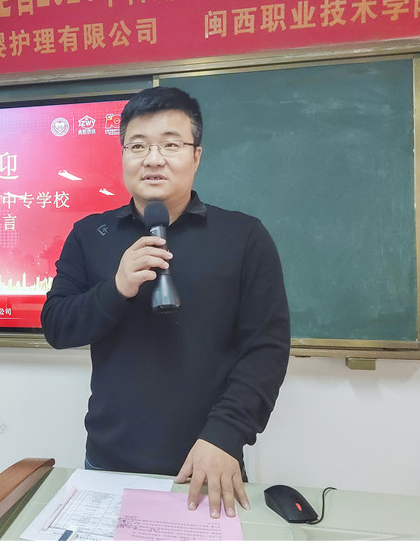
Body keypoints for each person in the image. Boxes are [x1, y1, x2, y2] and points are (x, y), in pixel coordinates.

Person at [40, 86, 290, 519]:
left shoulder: (244, 237)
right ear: (123, 155)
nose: (153, 159)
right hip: (108, 461)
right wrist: (116, 288)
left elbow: (266, 349)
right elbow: (58, 327)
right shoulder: (90, 235)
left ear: (196, 156)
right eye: (138, 146)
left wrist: (225, 436)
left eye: (170, 145)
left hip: (207, 463)